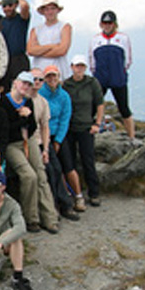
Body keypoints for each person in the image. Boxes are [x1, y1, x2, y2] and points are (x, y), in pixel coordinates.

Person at [0, 71, 59, 234]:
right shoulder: (4, 102)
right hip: (12, 144)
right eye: (23, 83)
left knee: (40, 174)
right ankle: (31, 218)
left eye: (28, 84)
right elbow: (6, 129)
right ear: (16, 83)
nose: (26, 87)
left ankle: (50, 218)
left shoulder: (28, 101)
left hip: (28, 140)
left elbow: (32, 127)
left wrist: (27, 117)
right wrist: (23, 118)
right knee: (28, 175)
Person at [27, 68, 79, 222]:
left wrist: (49, 145)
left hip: (44, 140)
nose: (37, 82)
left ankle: (65, 204)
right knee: (47, 170)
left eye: (40, 79)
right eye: (34, 79)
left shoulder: (46, 100)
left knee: (56, 168)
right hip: (29, 142)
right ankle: (53, 206)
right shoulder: (25, 99)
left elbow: (47, 125)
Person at [39, 65, 86, 212]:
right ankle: (58, 199)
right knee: (52, 168)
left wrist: (58, 140)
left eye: (54, 76)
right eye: (49, 76)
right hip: (43, 136)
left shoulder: (64, 96)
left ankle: (78, 196)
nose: (52, 79)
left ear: (59, 77)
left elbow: (65, 119)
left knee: (69, 166)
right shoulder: (40, 94)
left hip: (59, 134)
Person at [62, 55, 105, 207]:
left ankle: (94, 193)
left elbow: (100, 104)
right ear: (72, 67)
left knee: (88, 160)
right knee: (71, 162)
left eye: (82, 66)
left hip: (87, 127)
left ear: (85, 68)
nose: (79, 69)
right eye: (76, 66)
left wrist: (97, 124)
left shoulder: (92, 83)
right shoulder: (66, 85)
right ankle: (75, 192)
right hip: (70, 128)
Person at [89, 10, 135, 140]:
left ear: (115, 24)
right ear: (100, 24)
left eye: (110, 23)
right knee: (92, 107)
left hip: (118, 78)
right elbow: (91, 60)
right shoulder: (95, 39)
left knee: (124, 108)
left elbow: (128, 60)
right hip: (100, 78)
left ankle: (132, 137)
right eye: (104, 22)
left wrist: (120, 72)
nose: (107, 25)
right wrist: (97, 74)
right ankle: (88, 135)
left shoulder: (123, 38)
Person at [0, 0, 31, 89]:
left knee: (22, 89)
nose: (7, 8)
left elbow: (25, 6)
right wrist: (0, 2)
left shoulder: (22, 19)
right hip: (3, 61)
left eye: (10, 5)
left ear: (15, 5)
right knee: (4, 90)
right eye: (4, 6)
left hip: (19, 60)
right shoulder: (0, 20)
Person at [27, 0, 72, 79]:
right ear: (43, 11)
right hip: (39, 74)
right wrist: (52, 46)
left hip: (59, 74)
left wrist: (39, 51)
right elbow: (30, 51)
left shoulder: (65, 27)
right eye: (47, 9)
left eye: (52, 9)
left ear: (57, 10)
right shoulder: (35, 30)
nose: (50, 12)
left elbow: (62, 50)